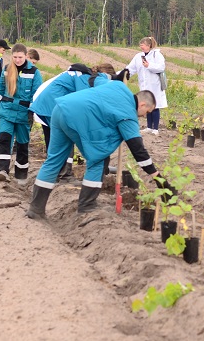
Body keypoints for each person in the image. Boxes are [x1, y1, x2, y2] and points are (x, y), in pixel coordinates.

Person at [26, 84, 171, 219]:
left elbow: (99, 79)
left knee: (54, 160)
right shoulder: (128, 114)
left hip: (60, 109)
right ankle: (87, 205)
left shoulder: (119, 86)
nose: (145, 116)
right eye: (147, 112)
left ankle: (36, 208)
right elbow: (138, 151)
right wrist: (158, 178)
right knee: (98, 160)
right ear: (143, 104)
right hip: (76, 119)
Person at [30, 63, 117, 180]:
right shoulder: (85, 78)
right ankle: (64, 174)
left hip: (46, 104)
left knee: (54, 141)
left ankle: (54, 174)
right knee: (65, 138)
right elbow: (84, 101)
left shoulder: (83, 75)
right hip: (53, 105)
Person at [0, 43, 43, 183]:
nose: (17, 60)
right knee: (5, 139)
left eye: (20, 57)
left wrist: (32, 113)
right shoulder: (6, 70)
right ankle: (2, 170)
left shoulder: (34, 72)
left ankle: (21, 176)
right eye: (15, 57)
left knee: (22, 145)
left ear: (25, 56)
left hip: (23, 114)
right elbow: (1, 90)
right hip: (7, 111)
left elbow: (37, 95)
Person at [126, 36, 167, 135]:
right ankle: (149, 127)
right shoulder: (138, 56)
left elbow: (161, 67)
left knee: (155, 106)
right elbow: (131, 68)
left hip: (155, 85)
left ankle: (155, 129)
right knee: (147, 105)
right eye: (140, 45)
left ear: (148, 46)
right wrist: (123, 74)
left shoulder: (156, 55)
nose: (141, 47)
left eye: (142, 45)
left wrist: (149, 66)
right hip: (144, 85)